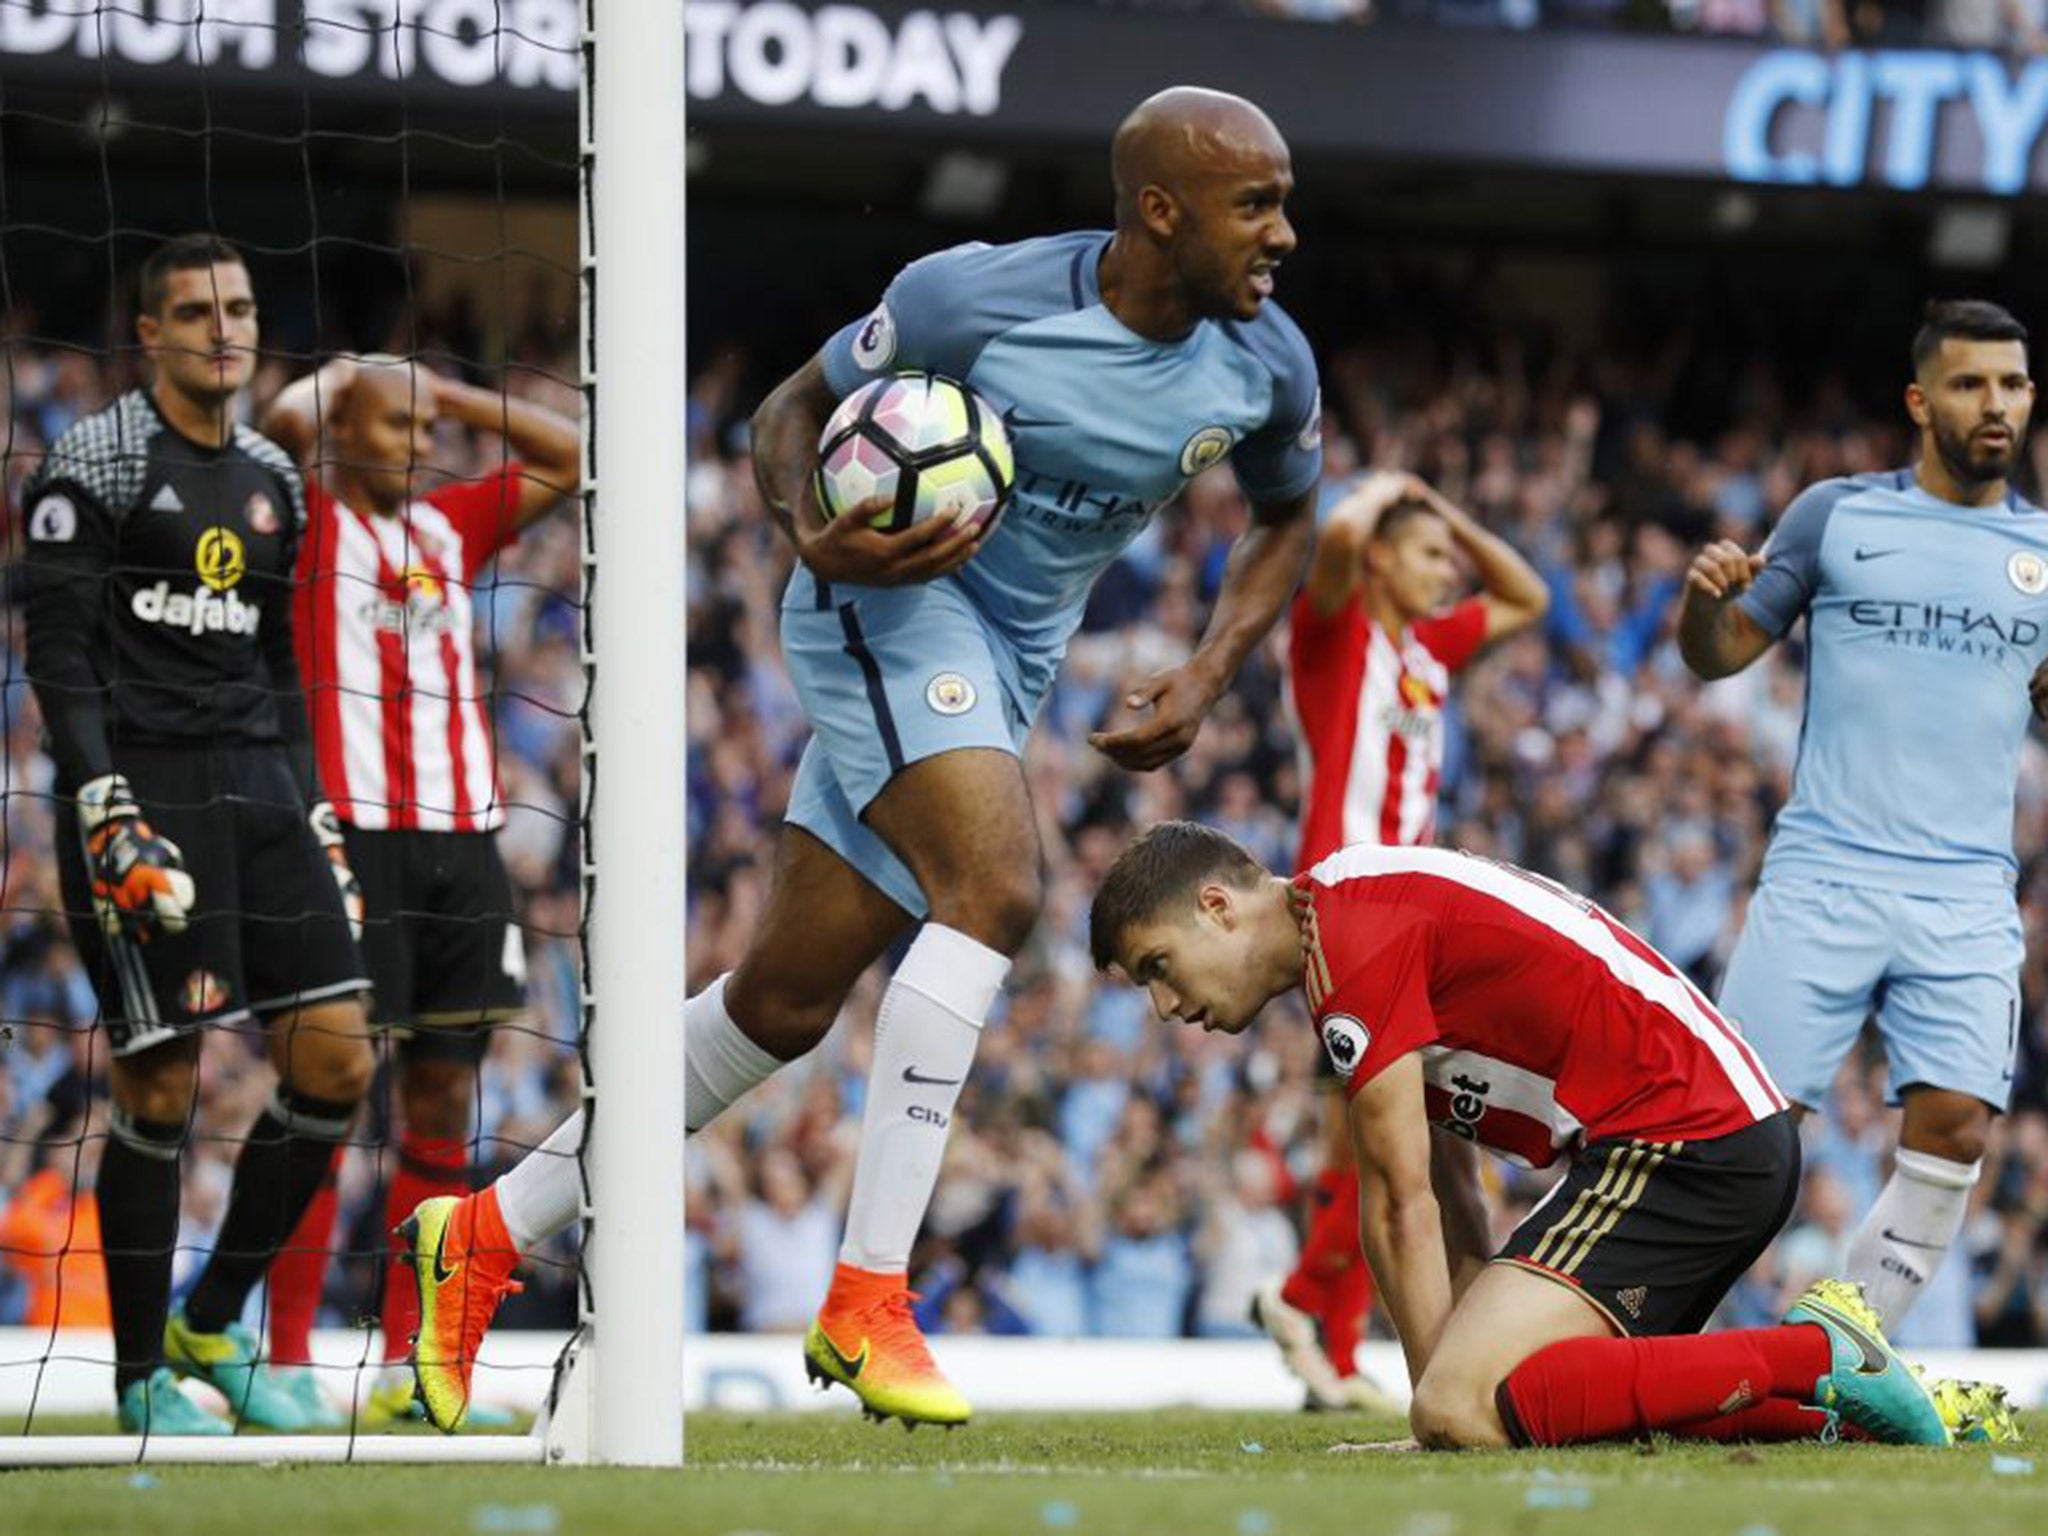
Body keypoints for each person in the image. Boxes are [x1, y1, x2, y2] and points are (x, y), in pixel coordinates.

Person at [396, 84, 1323, 1432]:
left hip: (1006, 662)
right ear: (1160, 211)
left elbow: (1289, 519)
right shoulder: (971, 303)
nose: (1284, 233)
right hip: (879, 600)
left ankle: (481, 1234)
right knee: (998, 889)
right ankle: (869, 1298)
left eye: (1286, 201)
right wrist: (807, 531)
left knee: (781, 1004)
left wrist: (1208, 666)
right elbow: (788, 416)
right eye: (1257, 204)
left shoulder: (1267, 362)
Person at [1086, 820, 2007, 1450]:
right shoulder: (1345, 925)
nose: (1166, 1008)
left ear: (1216, 906)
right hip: (1700, 1140)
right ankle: (1842, 1412)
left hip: (1679, 1139)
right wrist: (1450, 1389)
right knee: (1548, 1402)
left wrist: (1437, 1403)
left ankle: (1827, 1349)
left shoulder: (1351, 942)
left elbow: (1400, 1207)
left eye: (1158, 969)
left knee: (1472, 1405)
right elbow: (1435, 1190)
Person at [21, 234, 375, 1434]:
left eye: (237, 307)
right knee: (161, 1081)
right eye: (195, 311)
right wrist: (102, 801)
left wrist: (315, 802)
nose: (224, 328)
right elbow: (57, 657)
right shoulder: (97, 460)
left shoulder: (276, 471)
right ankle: (135, 1382)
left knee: (337, 1055)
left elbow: (280, 662)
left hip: (263, 793)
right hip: (144, 792)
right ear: (151, 335)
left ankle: (213, 1318)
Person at [1679, 299, 2046, 1339]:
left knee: (1957, 1124)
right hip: (1824, 872)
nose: (1994, 405)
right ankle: (1654, 1346)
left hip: (1966, 889)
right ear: (1918, 399)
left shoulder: (2044, 553)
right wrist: (1703, 602)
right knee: (1739, 1132)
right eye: (1971, 384)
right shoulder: (1834, 515)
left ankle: (1839, 1354)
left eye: (2011, 385)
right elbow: (1717, 653)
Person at [252, 354, 580, 1425]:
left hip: (464, 847)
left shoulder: (450, 527)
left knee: (442, 1100)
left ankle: (410, 1365)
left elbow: (568, 456)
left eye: (426, 426)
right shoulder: (300, 521)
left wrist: (444, 392)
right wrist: (341, 379)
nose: (421, 441)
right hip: (350, 838)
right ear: (343, 430)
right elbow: (275, 426)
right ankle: (287, 1358)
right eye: (396, 425)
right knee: (326, 1096)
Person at [1254, 469, 1548, 1410]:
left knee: (1373, 1143)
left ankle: (1330, 1350)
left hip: (1412, 916)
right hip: (1342, 905)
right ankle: (1303, 1303)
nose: (1446, 572)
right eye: (1428, 555)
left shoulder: (1431, 645)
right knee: (1384, 1144)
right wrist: (1388, 489)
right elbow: (1336, 537)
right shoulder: (1335, 634)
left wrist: (1448, 509)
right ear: (1380, 556)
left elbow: (1527, 595)